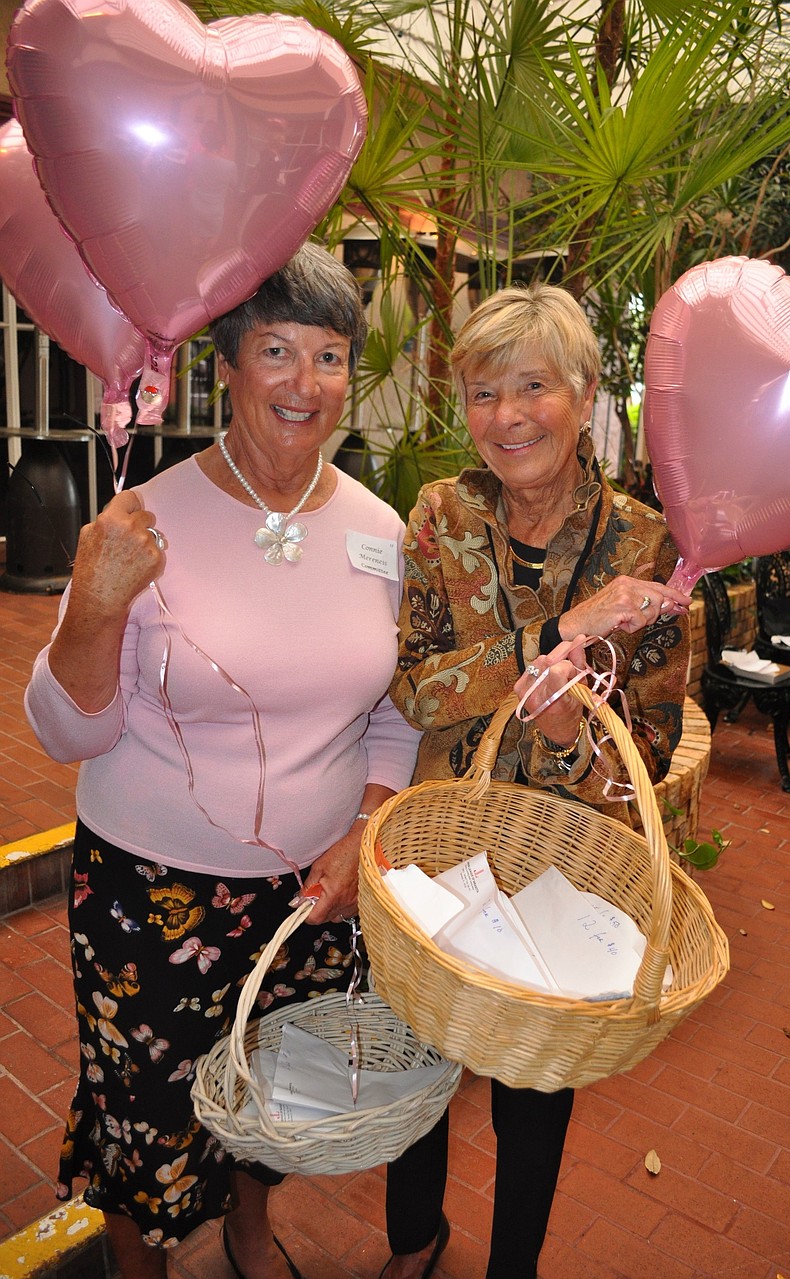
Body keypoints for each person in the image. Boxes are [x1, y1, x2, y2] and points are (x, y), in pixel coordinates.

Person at [24, 243, 420, 1279]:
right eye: (277, 350)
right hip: (151, 896)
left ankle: (249, 1232)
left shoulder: (378, 532)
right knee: (142, 1119)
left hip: (309, 894)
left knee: (270, 1103)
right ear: (229, 367)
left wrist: (367, 823)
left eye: (329, 356)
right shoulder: (145, 518)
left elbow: (395, 713)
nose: (305, 383)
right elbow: (66, 732)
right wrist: (97, 603)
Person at [380, 282, 692, 1279]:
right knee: (416, 1068)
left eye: (531, 386)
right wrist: (547, 639)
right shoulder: (441, 515)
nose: (505, 417)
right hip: (441, 854)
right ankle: (412, 1242)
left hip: (565, 877)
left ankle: (512, 1264)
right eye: (482, 392)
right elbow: (414, 690)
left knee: (533, 1098)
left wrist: (566, 739)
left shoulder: (646, 546)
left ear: (585, 389)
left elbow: (648, 749)